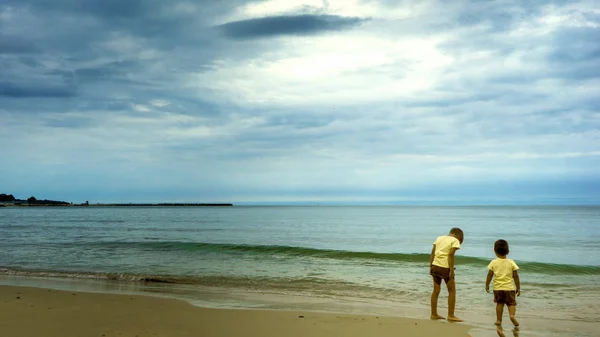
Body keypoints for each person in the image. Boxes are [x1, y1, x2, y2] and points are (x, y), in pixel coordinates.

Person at [430, 227, 464, 322]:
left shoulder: (439, 238)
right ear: (460, 238)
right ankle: (451, 315)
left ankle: (433, 314)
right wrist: (451, 270)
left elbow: (432, 253)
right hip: (445, 267)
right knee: (452, 291)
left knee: (436, 291)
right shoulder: (455, 240)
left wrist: (431, 266)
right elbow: (450, 255)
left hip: (435, 266)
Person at [486, 239, 521, 327]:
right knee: (511, 304)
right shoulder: (511, 262)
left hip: (497, 288)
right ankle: (512, 316)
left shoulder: (493, 262)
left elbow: (489, 275)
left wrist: (487, 285)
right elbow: (515, 276)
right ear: (508, 251)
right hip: (509, 288)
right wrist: (518, 288)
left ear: (494, 251)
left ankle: (498, 320)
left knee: (499, 304)